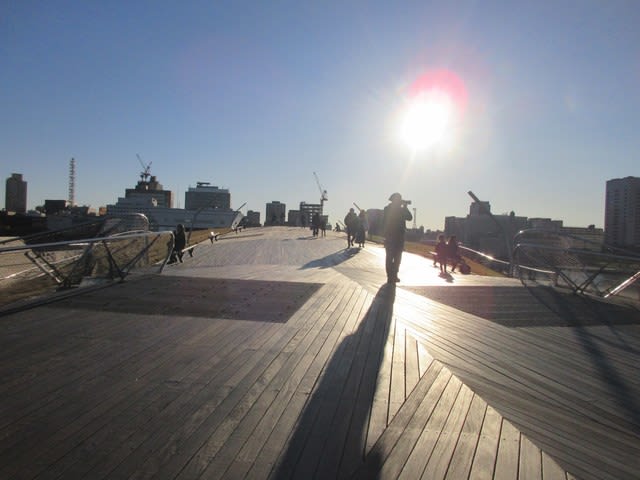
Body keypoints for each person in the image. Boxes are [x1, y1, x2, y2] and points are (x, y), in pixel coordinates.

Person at [383, 192, 412, 283]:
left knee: (396, 258)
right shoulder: (389, 209)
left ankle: (393, 275)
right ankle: (391, 276)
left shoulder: (397, 209)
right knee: (391, 257)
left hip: (396, 237)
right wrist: (404, 207)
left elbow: (409, 218)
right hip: (393, 236)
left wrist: (404, 207)